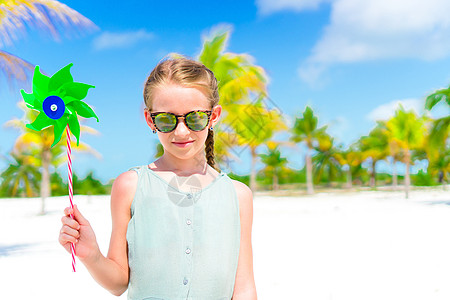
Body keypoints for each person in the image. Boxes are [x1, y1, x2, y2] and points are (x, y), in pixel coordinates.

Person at [59, 57, 257, 299]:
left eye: (195, 118)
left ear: (213, 116)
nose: (181, 131)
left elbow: (244, 287)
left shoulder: (238, 196)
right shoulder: (130, 186)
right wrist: (92, 255)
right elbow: (118, 283)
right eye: (166, 119)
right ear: (150, 120)